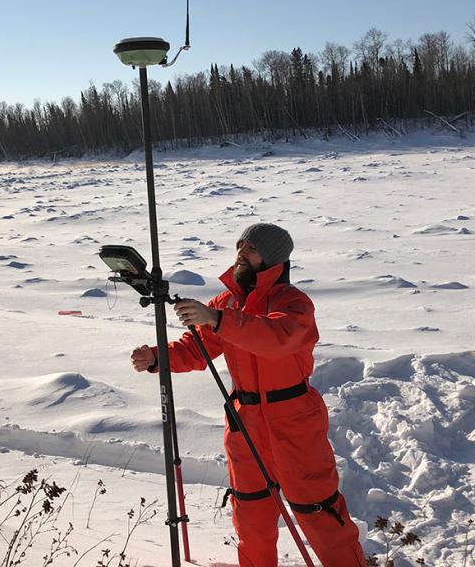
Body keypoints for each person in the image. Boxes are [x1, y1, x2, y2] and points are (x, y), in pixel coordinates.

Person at [131, 223, 365, 567]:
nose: (241, 252)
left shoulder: (294, 303)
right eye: (240, 245)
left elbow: (276, 338)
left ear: (271, 258)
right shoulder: (225, 303)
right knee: (251, 514)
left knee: (319, 511)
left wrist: (217, 319)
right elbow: (195, 349)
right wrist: (156, 358)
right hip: (244, 421)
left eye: (251, 248)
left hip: (294, 420)